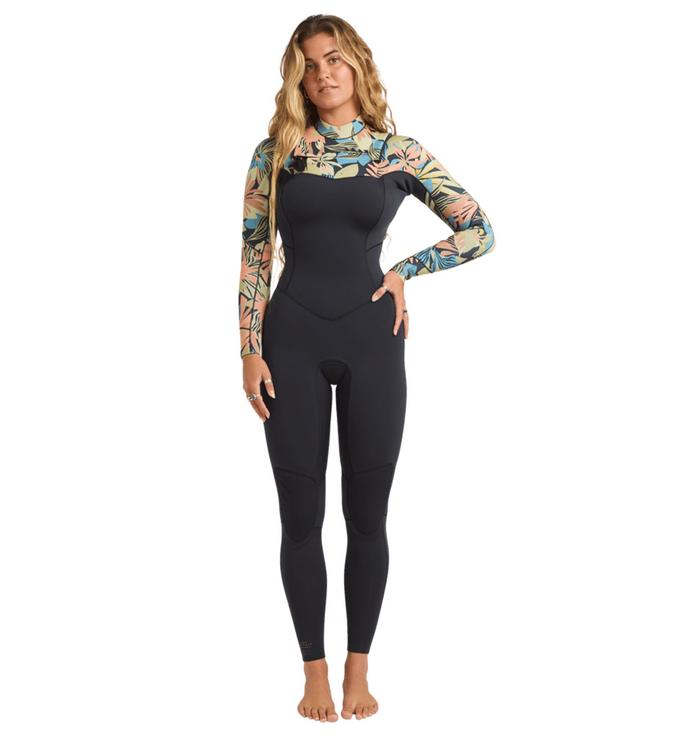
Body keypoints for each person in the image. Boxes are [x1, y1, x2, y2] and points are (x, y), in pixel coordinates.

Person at [238, 14, 495, 722]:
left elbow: (478, 229)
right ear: (296, 79)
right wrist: (248, 348)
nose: (323, 73)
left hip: (372, 341)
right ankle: (313, 673)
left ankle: (359, 669)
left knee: (367, 516)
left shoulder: (396, 152)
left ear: (355, 63)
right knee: (300, 516)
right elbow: (254, 254)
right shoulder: (275, 153)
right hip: (289, 340)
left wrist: (406, 269)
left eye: (333, 59)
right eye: (308, 64)